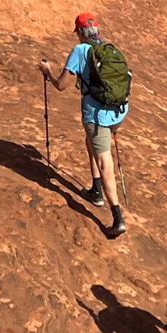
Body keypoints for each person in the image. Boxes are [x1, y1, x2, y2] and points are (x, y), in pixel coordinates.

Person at [37, 12, 128, 239]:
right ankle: (96, 190)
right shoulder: (108, 48)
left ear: (79, 32)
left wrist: (47, 71)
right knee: (91, 143)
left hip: (96, 115)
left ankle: (117, 218)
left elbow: (61, 85)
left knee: (104, 160)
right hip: (119, 111)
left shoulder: (80, 51)